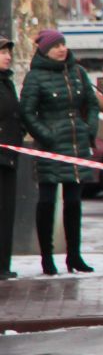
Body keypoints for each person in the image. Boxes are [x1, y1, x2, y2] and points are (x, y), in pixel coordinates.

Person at [20, 30, 99, 275]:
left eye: (63, 44)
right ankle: (47, 259)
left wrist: (89, 129)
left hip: (76, 146)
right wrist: (47, 135)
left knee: (74, 202)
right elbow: (27, 112)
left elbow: (92, 103)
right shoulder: (35, 77)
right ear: (44, 50)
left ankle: (74, 256)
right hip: (50, 149)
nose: (61, 49)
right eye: (55, 46)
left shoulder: (77, 72)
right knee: (47, 202)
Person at [0, 39, 21, 280]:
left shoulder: (8, 83)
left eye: (8, 53)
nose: (7, 57)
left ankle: (4, 264)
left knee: (7, 212)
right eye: (3, 53)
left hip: (9, 157)